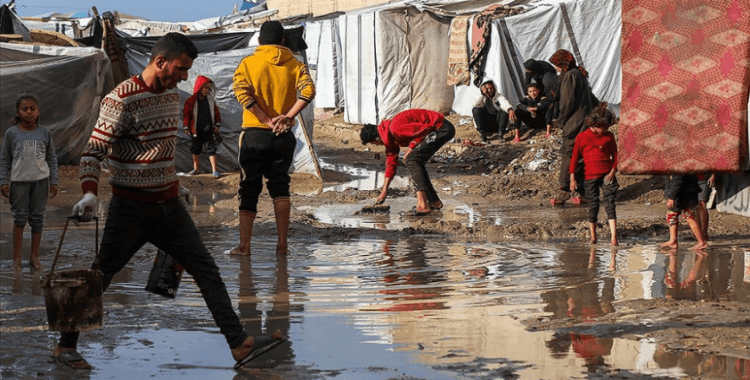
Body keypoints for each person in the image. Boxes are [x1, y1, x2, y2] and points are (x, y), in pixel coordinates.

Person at [57, 32, 280, 370]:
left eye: (187, 70)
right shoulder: (121, 99)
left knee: (207, 271)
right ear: (160, 61)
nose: (185, 76)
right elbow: (93, 153)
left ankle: (239, 344)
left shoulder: (172, 95)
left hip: (170, 204)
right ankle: (64, 347)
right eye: (181, 68)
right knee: (101, 276)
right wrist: (89, 191)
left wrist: (176, 182)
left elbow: (159, 149)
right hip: (130, 208)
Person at [230, 20, 315, 256]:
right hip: (283, 136)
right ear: (283, 41)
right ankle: (282, 245)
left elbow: (241, 92)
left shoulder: (248, 63)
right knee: (280, 186)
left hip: (254, 134)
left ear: (259, 41)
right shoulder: (295, 65)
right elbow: (309, 91)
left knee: (249, 188)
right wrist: (286, 117)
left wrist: (266, 120)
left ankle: (245, 246)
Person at [359, 108, 456, 216]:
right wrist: (384, 191)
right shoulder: (389, 138)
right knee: (416, 161)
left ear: (377, 139)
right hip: (436, 130)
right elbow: (391, 164)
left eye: (376, 144)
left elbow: (425, 129)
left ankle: (422, 205)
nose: (378, 146)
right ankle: (433, 201)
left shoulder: (395, 128)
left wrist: (411, 147)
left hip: (441, 128)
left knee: (412, 159)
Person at [0, 95, 58, 270]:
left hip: (41, 183)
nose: (29, 112)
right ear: (18, 112)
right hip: (19, 183)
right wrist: (3, 180)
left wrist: (54, 180)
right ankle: (17, 259)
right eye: (24, 109)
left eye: (32, 108)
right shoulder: (12, 133)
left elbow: (51, 158)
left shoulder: (45, 133)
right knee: (19, 219)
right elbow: (4, 159)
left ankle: (34, 257)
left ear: (38, 111)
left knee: (38, 220)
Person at [549, 49, 595, 205]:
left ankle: (564, 191)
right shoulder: (579, 73)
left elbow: (566, 102)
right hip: (584, 120)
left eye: (556, 64)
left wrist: (561, 121)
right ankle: (584, 193)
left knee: (569, 153)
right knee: (581, 156)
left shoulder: (570, 76)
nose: (555, 68)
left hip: (574, 122)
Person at [569, 105, 619, 246]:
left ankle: (614, 237)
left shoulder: (609, 136)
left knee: (610, 203)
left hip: (608, 174)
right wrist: (572, 177)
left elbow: (615, 154)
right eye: (604, 128)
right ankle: (593, 235)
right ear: (595, 124)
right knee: (593, 205)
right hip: (590, 176)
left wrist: (613, 170)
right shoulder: (582, 137)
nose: (606, 130)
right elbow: (574, 158)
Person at [183, 75, 222, 179]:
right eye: (205, 88)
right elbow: (186, 115)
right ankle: (196, 169)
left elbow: (216, 113)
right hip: (195, 130)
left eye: (209, 88)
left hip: (208, 129)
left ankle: (215, 170)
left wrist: (217, 124)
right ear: (199, 87)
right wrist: (186, 127)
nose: (207, 90)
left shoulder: (210, 101)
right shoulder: (190, 101)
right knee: (195, 149)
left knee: (211, 149)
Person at [660, 174, 708, 250]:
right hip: (683, 192)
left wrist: (671, 197)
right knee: (673, 215)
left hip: (684, 194)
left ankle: (701, 242)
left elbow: (678, 181)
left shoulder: (677, 166)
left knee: (688, 216)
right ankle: (673, 241)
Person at [696, 173, 715, 241]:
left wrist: (713, 175)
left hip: (704, 180)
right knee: (695, 207)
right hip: (691, 180)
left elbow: (714, 163)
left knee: (702, 205)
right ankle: (698, 234)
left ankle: (704, 234)